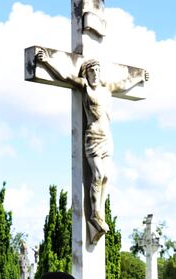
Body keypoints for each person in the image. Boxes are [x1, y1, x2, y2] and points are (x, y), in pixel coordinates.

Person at [35, 48, 148, 243]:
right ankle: (95, 215)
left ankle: (100, 214)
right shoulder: (85, 86)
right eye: (91, 71)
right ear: (86, 73)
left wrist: (139, 77)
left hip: (107, 138)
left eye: (97, 71)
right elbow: (64, 75)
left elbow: (125, 82)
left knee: (107, 177)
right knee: (98, 175)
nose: (95, 74)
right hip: (93, 136)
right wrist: (46, 62)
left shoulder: (108, 88)